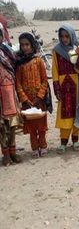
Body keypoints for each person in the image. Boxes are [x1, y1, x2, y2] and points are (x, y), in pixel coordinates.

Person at [15, 32, 52, 158]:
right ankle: (35, 148)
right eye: (22, 45)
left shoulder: (38, 61)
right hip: (27, 103)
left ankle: (43, 146)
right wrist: (24, 99)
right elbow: (18, 84)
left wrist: (39, 96)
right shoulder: (19, 65)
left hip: (39, 101)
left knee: (41, 126)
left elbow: (44, 80)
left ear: (32, 45)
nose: (25, 47)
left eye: (27, 44)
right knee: (31, 127)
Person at [52, 24, 79, 154]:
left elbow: (78, 69)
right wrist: (57, 88)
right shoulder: (56, 51)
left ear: (72, 36)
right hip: (62, 86)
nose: (65, 39)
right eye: (62, 36)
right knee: (64, 114)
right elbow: (55, 70)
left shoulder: (77, 49)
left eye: (67, 36)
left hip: (75, 86)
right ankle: (63, 142)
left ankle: (76, 139)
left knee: (76, 110)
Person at [0, 24, 22, 166]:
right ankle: (6, 154)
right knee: (1, 126)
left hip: (9, 90)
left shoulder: (7, 50)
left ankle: (13, 151)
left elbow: (16, 63)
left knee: (12, 123)